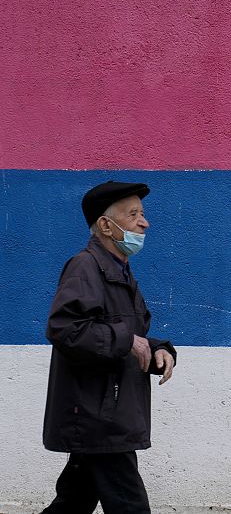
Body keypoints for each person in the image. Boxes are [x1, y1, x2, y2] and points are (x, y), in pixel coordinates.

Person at [41, 181, 177, 514]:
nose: (144, 223)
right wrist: (129, 341)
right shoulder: (85, 268)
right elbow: (65, 329)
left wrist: (158, 350)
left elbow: (124, 334)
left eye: (142, 215)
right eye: (133, 215)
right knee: (130, 506)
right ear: (106, 225)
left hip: (106, 412)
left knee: (73, 503)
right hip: (100, 416)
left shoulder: (119, 272)